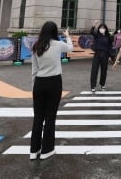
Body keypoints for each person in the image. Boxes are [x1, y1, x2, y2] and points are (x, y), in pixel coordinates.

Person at [30, 21, 73, 160]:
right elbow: (70, 48)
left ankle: (34, 150)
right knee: (50, 117)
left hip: (39, 83)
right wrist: (67, 35)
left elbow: (34, 70)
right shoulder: (58, 44)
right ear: (55, 32)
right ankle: (47, 149)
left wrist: (34, 86)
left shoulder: (37, 46)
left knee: (38, 117)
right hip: (54, 82)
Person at [89, 20, 112, 92]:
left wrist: (110, 56)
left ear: (106, 29)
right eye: (101, 28)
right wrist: (94, 24)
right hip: (97, 54)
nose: (102, 29)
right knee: (94, 70)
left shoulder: (108, 36)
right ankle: (93, 86)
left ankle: (102, 85)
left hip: (105, 54)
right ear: (99, 29)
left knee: (104, 70)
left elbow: (110, 47)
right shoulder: (97, 35)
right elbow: (91, 32)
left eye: (103, 28)